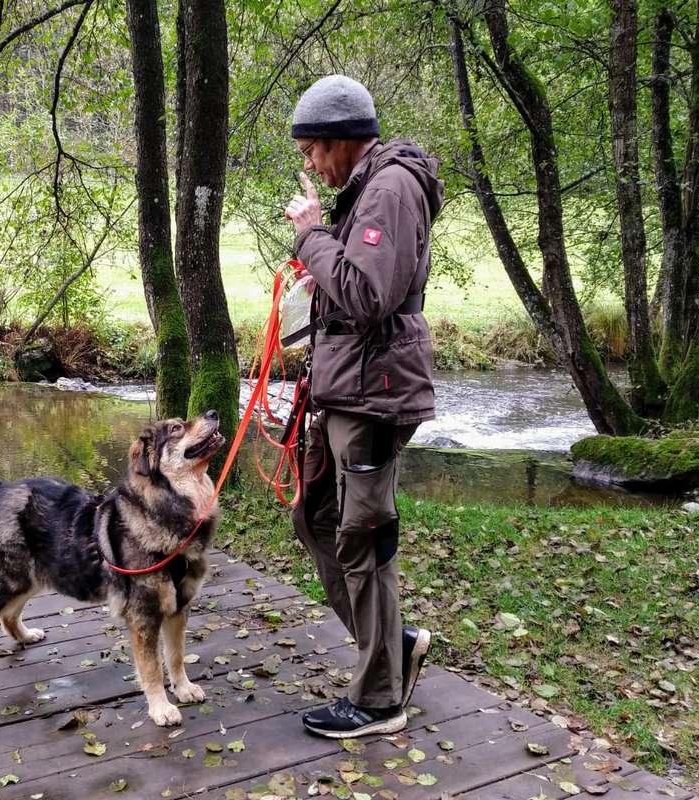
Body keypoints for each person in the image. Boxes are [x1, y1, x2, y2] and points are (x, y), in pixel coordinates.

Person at [282, 74, 443, 738]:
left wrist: (311, 234)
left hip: (375, 397)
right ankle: (393, 645)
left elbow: (366, 295)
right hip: (351, 390)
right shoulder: (370, 190)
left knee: (362, 538)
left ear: (343, 140)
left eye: (315, 150)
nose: (313, 165)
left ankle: (380, 700)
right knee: (317, 517)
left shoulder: (391, 189)